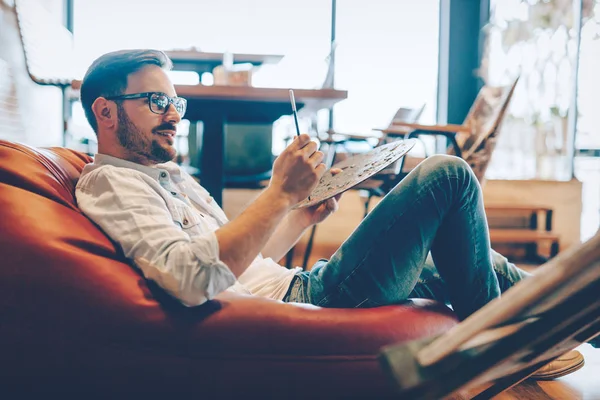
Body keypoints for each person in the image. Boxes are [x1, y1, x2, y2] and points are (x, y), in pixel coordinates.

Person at [75, 49, 584, 379]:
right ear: (105, 111)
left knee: (478, 259)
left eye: (176, 101)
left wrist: (299, 215)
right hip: (308, 302)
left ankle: (582, 319)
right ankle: (498, 353)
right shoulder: (111, 184)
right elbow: (191, 279)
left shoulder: (170, 176)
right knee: (446, 175)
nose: (174, 114)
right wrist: (277, 194)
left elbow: (238, 264)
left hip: (302, 282)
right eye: (156, 101)